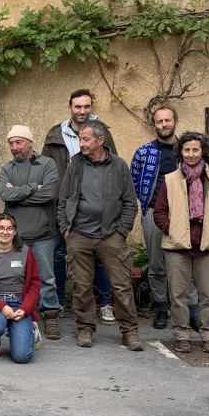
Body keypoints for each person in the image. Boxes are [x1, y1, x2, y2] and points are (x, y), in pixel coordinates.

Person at [57, 120, 143, 351]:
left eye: (85, 139)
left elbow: (129, 202)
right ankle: (85, 328)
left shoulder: (118, 165)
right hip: (79, 235)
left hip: (111, 236)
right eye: (80, 139)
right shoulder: (75, 165)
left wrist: (122, 231)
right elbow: (63, 201)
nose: (81, 144)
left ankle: (130, 332)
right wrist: (66, 229)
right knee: (81, 286)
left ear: (100, 140)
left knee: (122, 285)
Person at [43, 89, 118, 323]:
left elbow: (114, 166)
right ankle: (58, 303)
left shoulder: (103, 132)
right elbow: (46, 168)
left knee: (101, 257)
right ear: (70, 108)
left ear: (91, 107)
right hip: (65, 206)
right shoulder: (56, 134)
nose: (82, 111)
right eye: (78, 106)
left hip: (97, 206)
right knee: (59, 254)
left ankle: (105, 304)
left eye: (86, 106)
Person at [153, 132, 209, 354]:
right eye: (186, 150)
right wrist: (173, 231)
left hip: (206, 246)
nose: (191, 154)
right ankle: (181, 336)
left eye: (195, 149)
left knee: (208, 296)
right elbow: (159, 212)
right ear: (180, 152)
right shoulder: (170, 179)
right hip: (177, 247)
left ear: (203, 152)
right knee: (178, 296)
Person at [130, 107, 201, 331]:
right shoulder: (143, 152)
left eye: (168, 120)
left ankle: (192, 311)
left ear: (175, 122)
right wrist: (146, 203)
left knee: (186, 263)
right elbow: (133, 180)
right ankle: (161, 309)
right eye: (159, 121)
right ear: (154, 125)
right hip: (153, 212)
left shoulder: (188, 151)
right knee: (156, 264)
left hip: (186, 215)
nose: (164, 124)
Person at [0, 125, 61, 339]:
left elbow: (49, 194)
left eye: (19, 142)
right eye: (11, 143)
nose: (14, 147)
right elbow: (5, 194)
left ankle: (50, 317)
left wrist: (18, 195)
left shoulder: (47, 164)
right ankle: (18, 319)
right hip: (17, 238)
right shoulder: (7, 168)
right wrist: (34, 187)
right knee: (15, 280)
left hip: (43, 235)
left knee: (47, 279)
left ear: (30, 143)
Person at [0, 213, 41, 364]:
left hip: (20, 303)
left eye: (9, 228)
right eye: (1, 228)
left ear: (15, 231)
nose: (5, 232)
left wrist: (25, 308)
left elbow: (34, 284)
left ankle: (30, 330)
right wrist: (2, 307)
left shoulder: (26, 252)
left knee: (22, 357)